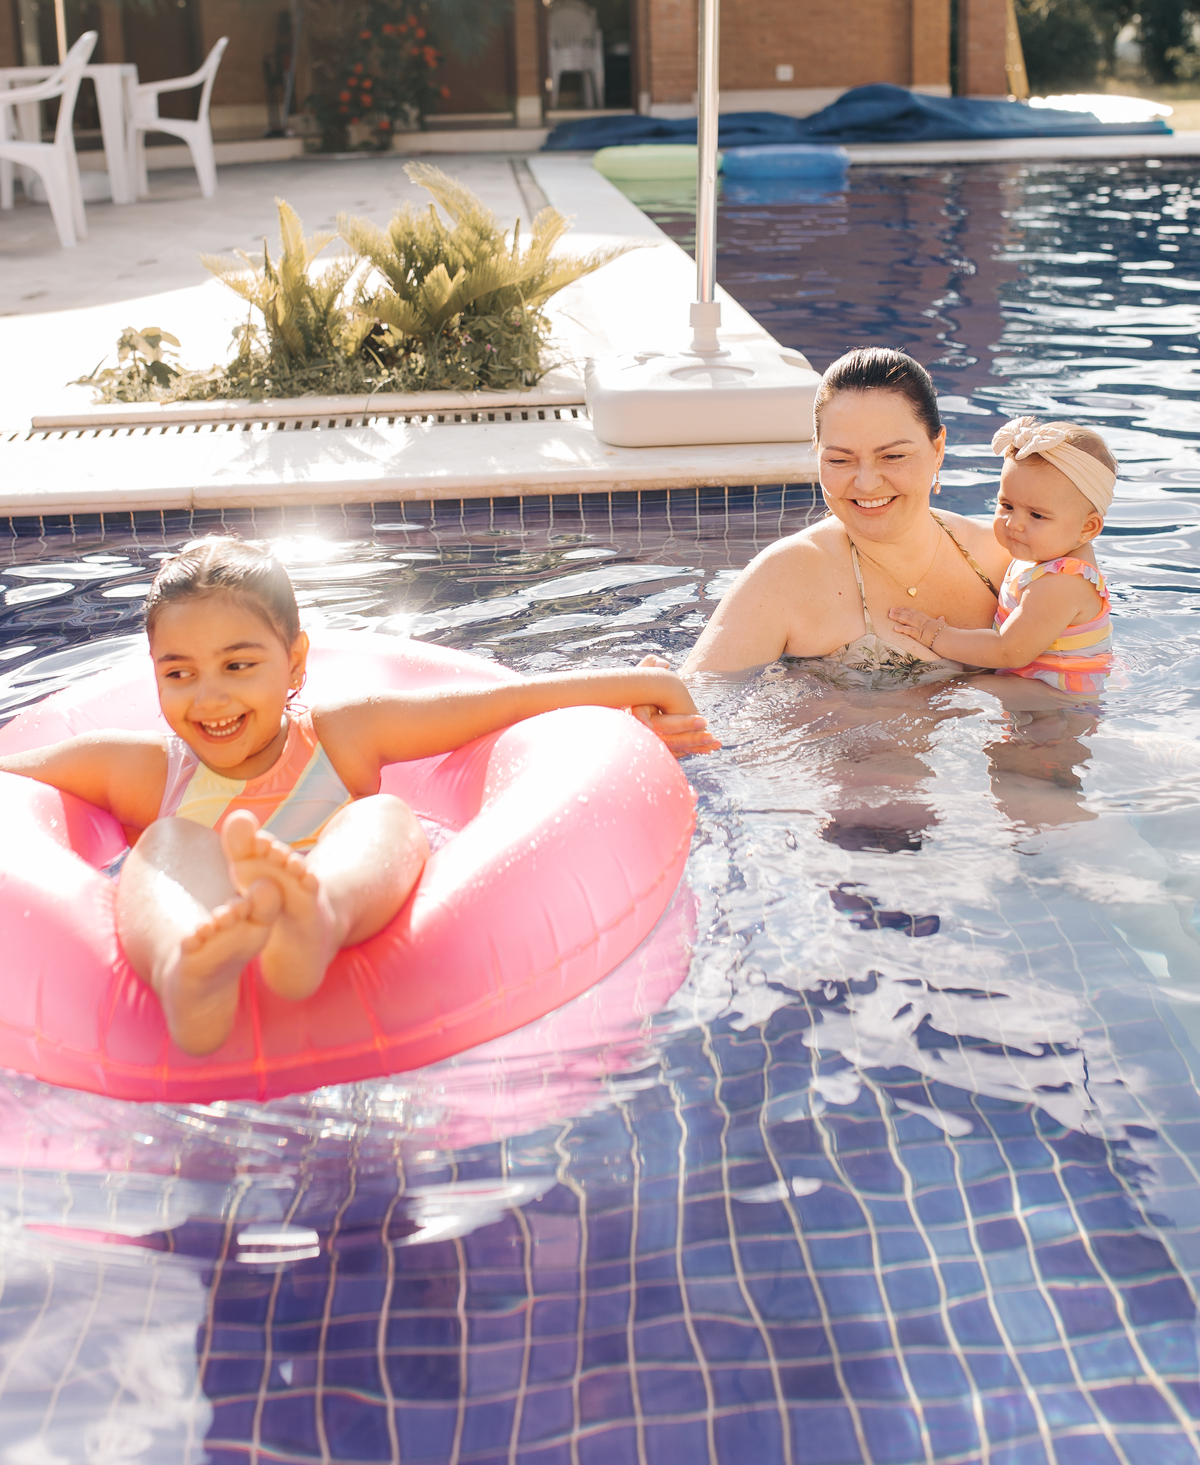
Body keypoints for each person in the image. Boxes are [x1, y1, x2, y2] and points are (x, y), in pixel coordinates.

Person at [0, 537, 717, 1057]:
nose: (208, 698)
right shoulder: (142, 769)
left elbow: (495, 705)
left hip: (330, 895)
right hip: (205, 912)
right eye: (178, 673)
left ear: (295, 663)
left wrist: (637, 687)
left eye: (238, 665)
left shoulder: (339, 736)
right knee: (170, 840)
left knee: (380, 815)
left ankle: (317, 915)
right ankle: (189, 968)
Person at [681, 346, 1008, 679]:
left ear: (938, 449)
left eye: (893, 456)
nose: (866, 484)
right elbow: (699, 696)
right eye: (839, 460)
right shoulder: (785, 576)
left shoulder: (1001, 557)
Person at [888, 416, 1115, 694]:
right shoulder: (1047, 551)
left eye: (1036, 515)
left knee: (953, 690)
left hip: (1060, 699)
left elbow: (1009, 651)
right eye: (1007, 505)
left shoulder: (1063, 582)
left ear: (1087, 528)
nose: (1014, 523)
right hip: (1037, 686)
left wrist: (935, 635)